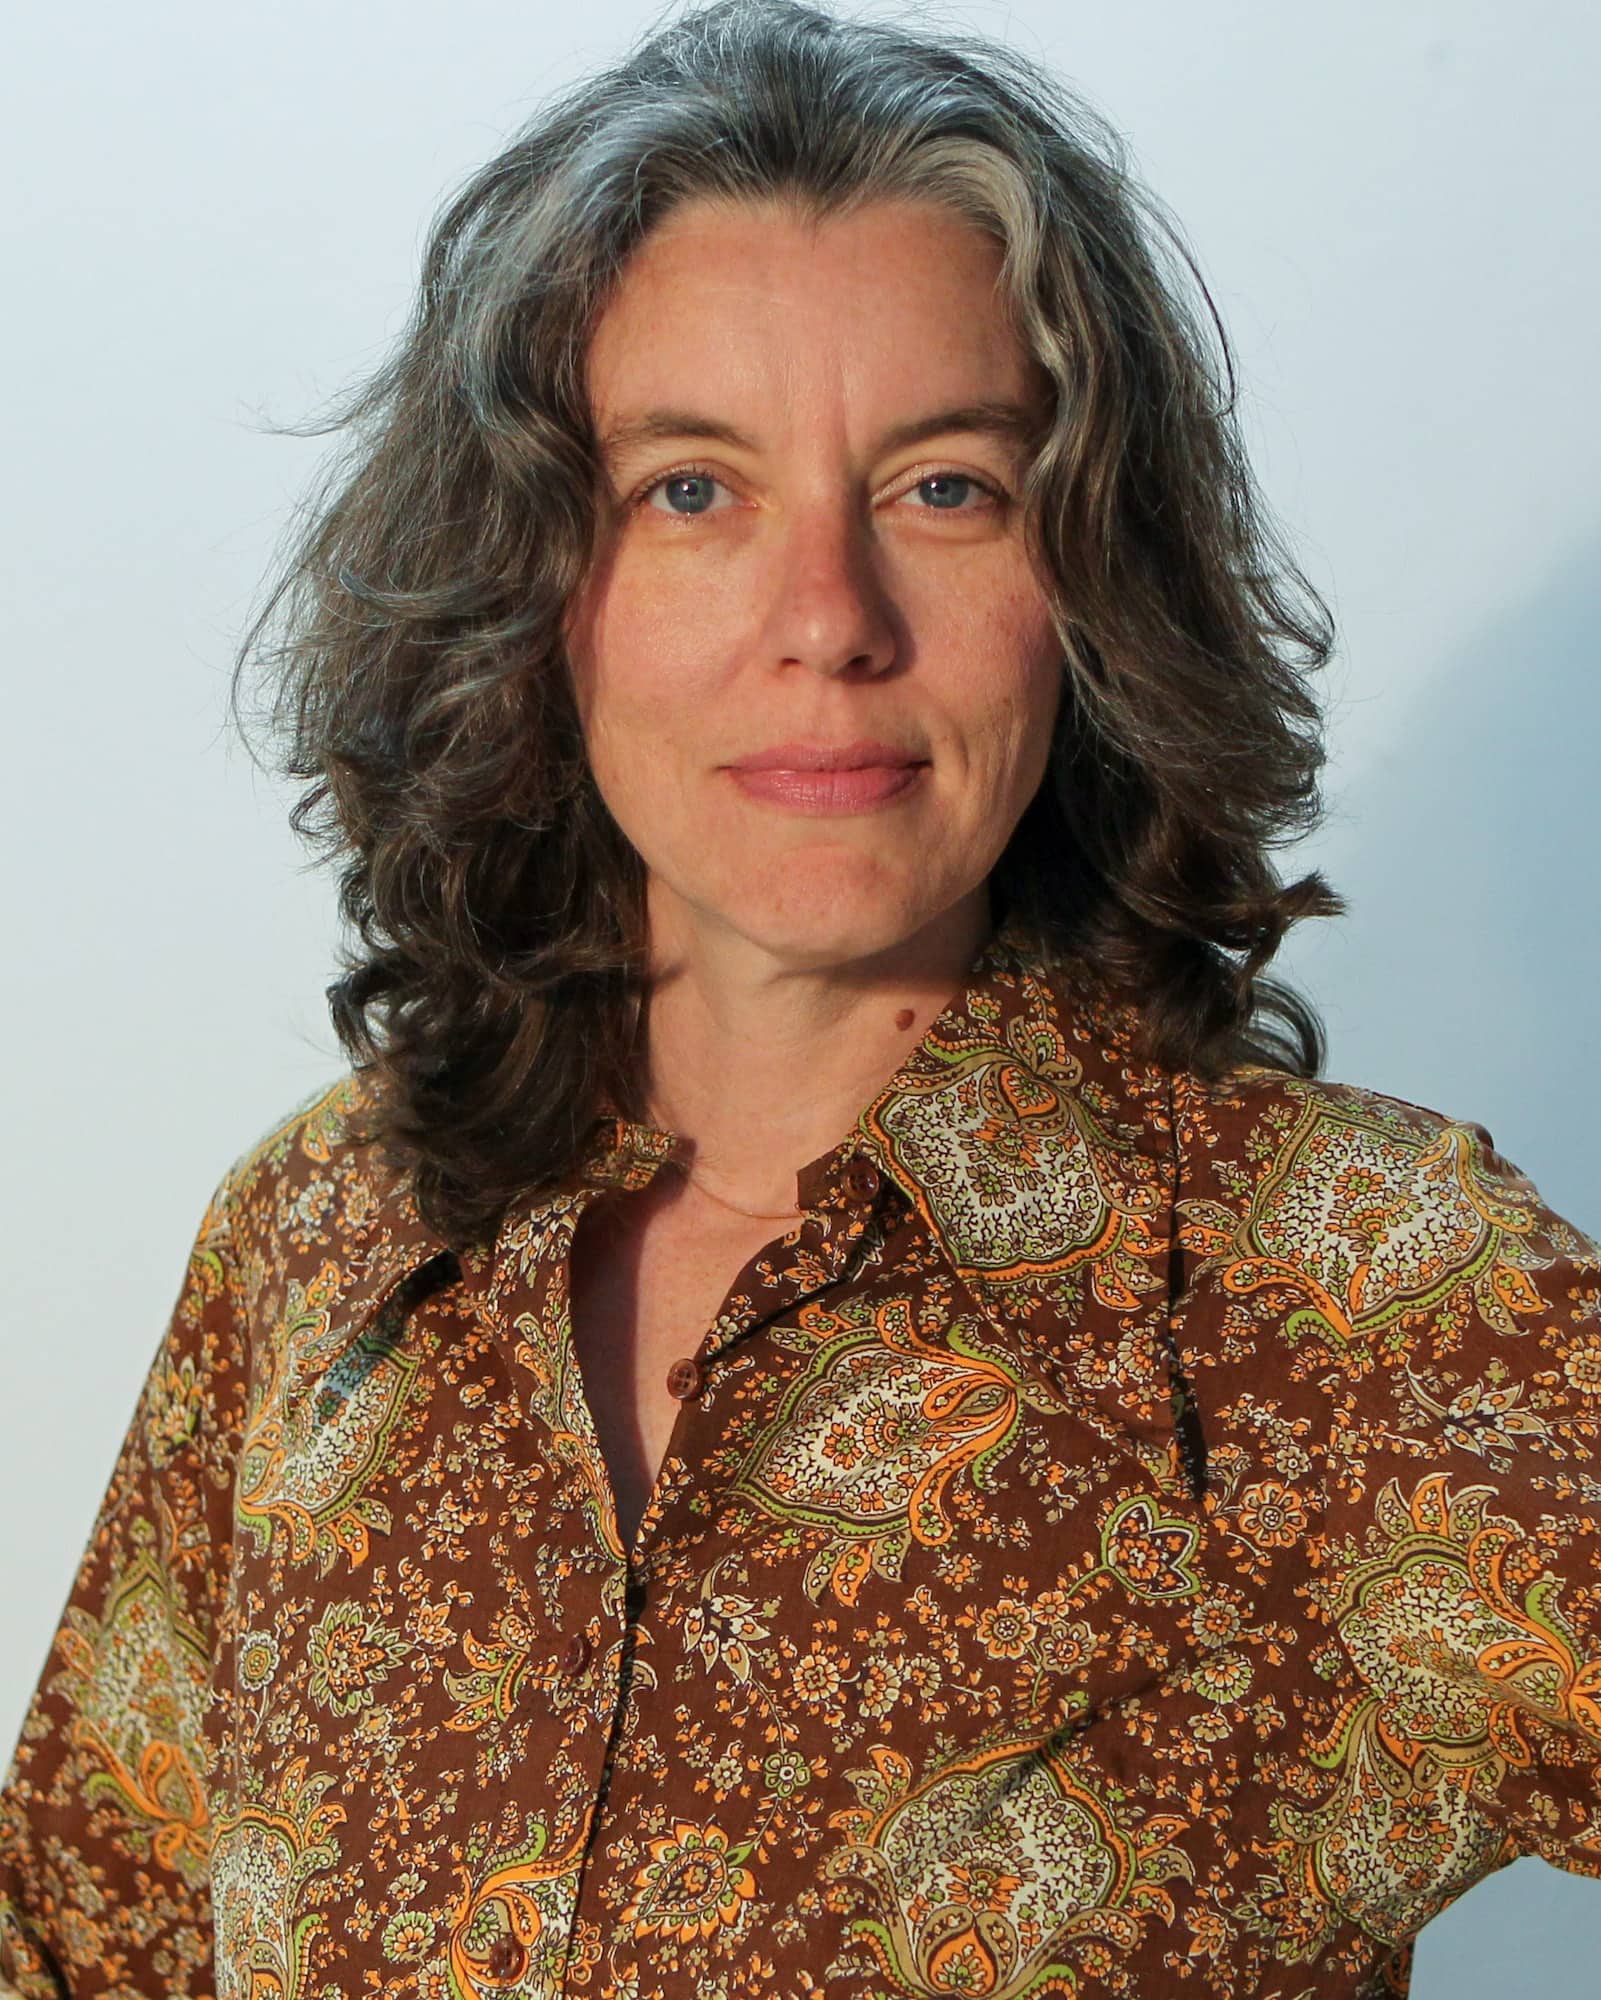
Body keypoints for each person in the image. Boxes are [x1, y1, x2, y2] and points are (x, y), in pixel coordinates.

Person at [3, 0, 1598, 1994]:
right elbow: (79, 1945)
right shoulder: (318, 1247)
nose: (826, 621)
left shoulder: (1336, 1295)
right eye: (694, 492)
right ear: (529, 584)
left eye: (946, 487)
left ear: (1088, 580)